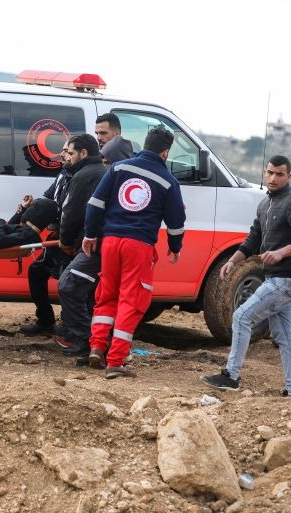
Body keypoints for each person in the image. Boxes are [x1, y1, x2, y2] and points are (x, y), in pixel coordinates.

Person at [202, 156, 291, 396]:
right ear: (265, 172)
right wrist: (232, 261)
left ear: (289, 176)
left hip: (287, 279)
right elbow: (253, 237)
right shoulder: (265, 203)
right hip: (276, 278)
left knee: (241, 316)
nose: (273, 178)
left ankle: (231, 376)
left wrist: (281, 253)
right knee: (285, 336)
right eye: (270, 172)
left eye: (279, 174)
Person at [82, 127, 186, 378]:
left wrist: (90, 234)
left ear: (145, 145)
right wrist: (175, 247)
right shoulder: (168, 181)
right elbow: (176, 222)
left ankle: (97, 347)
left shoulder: (119, 168)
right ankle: (115, 361)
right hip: (138, 246)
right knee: (132, 301)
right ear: (165, 152)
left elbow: (95, 204)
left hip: (110, 241)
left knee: (106, 295)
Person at [52, 135, 109, 356]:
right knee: (88, 294)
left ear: (83, 153)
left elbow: (71, 213)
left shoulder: (83, 176)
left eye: (71, 153)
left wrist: (65, 241)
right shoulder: (102, 172)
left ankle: (84, 339)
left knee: (68, 285)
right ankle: (93, 341)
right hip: (103, 243)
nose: (67, 157)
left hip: (92, 244)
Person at [18, 142, 74, 336]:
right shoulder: (63, 175)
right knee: (36, 271)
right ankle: (45, 321)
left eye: (67, 151)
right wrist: (32, 207)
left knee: (68, 283)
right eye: (63, 151)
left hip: (72, 241)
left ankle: (69, 326)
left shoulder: (81, 178)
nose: (62, 155)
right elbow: (48, 200)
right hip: (58, 237)